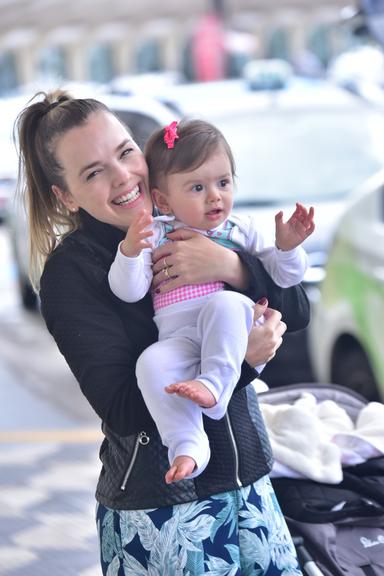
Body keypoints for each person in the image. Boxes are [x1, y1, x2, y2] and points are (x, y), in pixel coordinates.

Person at [16, 89, 308, 575]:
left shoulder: (203, 222)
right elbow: (125, 407)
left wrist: (234, 268)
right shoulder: (74, 272)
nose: (123, 176)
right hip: (162, 510)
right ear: (65, 196)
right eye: (93, 172)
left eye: (125, 152)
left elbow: (295, 309)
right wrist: (244, 364)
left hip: (250, 483)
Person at [108, 118, 315, 484]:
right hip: (179, 339)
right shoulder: (152, 234)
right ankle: (187, 444)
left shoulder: (239, 228)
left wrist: (287, 247)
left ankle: (216, 384)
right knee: (150, 364)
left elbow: (287, 278)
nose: (215, 196)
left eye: (223, 182)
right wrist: (128, 252)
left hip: (229, 334)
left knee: (225, 305)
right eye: (197, 187)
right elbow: (130, 290)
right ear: (163, 199)